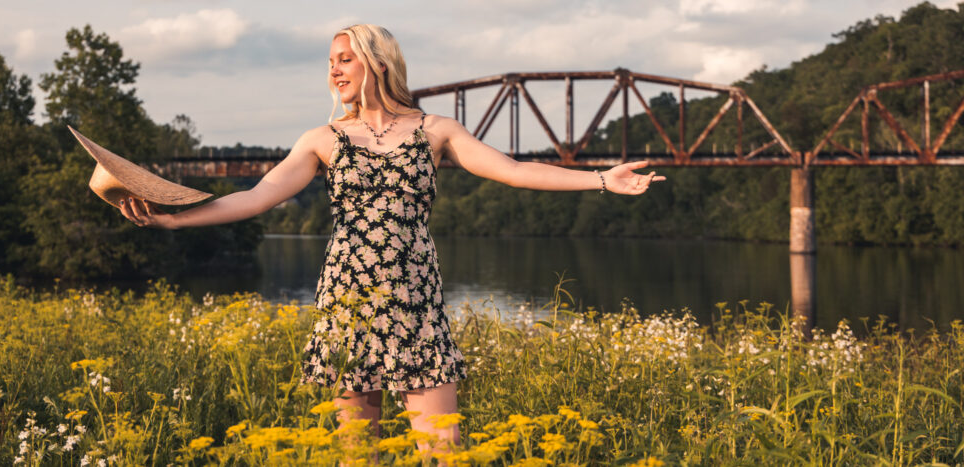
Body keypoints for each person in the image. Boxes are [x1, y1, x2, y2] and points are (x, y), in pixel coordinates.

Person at [120, 23, 665, 447]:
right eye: (328, 63)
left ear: (377, 61)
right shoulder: (322, 139)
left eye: (344, 59)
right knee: (358, 450)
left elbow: (515, 170)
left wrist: (600, 178)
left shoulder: (437, 131)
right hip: (348, 300)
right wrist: (172, 218)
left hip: (416, 301)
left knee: (444, 448)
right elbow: (254, 197)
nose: (333, 71)